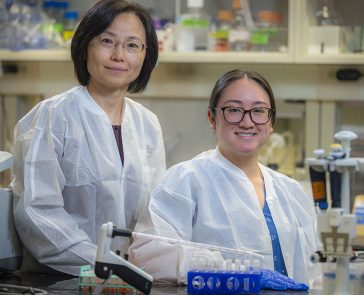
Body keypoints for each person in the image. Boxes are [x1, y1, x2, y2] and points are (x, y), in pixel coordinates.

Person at [11, 0, 165, 276]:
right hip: (60, 279)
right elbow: (39, 212)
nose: (119, 55)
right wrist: (101, 263)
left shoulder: (148, 125)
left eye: (132, 45)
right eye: (107, 41)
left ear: (145, 55)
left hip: (129, 279)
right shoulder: (53, 116)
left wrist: (139, 264)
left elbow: (153, 214)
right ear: (85, 46)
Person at [129, 69, 321, 288]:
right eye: (234, 110)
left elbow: (317, 269)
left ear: (271, 122)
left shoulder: (292, 192)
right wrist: (227, 270)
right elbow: (147, 253)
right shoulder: (186, 181)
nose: (247, 122)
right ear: (212, 118)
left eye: (258, 111)